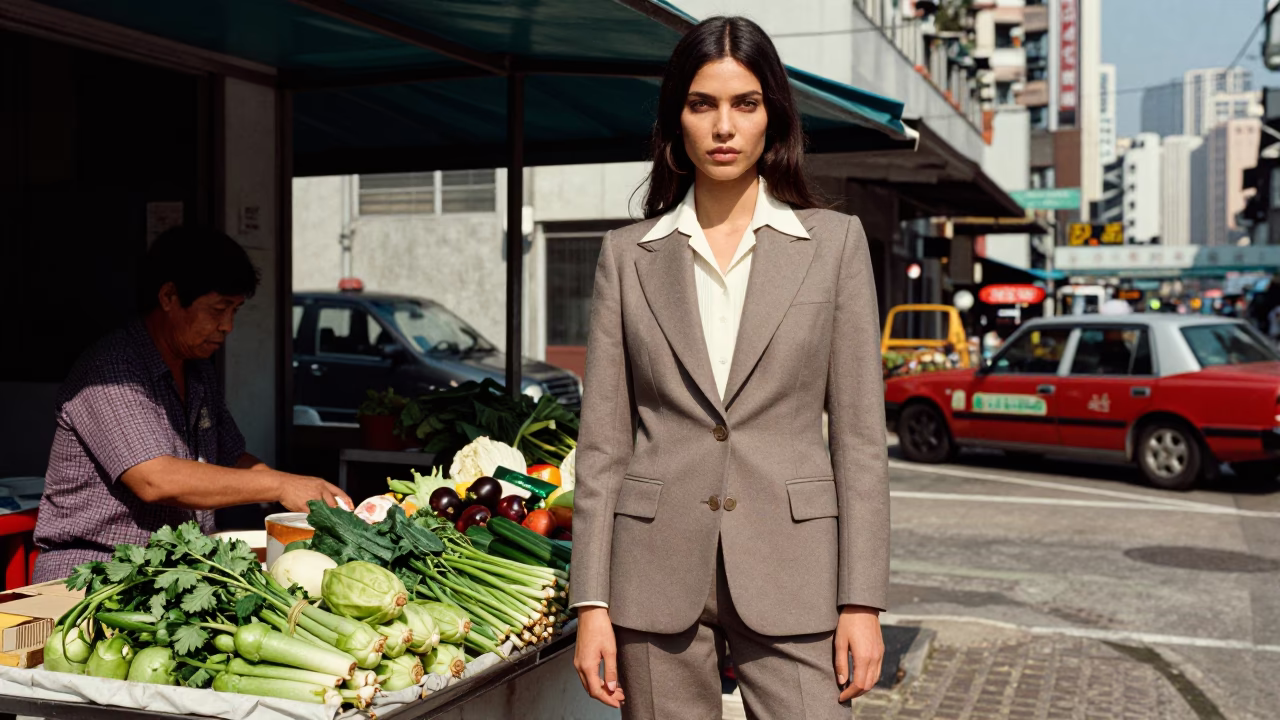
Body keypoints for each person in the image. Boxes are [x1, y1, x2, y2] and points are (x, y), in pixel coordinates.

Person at [570, 17, 889, 719]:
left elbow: (862, 441)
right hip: (653, 573)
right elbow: (603, 446)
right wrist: (591, 601)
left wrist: (862, 600)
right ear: (674, 121)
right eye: (701, 104)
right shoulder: (628, 256)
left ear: (773, 116)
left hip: (795, 566)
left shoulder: (833, 245)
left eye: (745, 104)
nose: (723, 126)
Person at [33, 226, 351, 582]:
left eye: (235, 310)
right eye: (218, 309)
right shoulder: (112, 369)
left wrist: (306, 492)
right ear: (169, 296)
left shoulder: (197, 370)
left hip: (177, 571)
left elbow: (229, 459)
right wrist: (281, 486)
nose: (227, 325)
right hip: (93, 575)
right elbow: (156, 479)